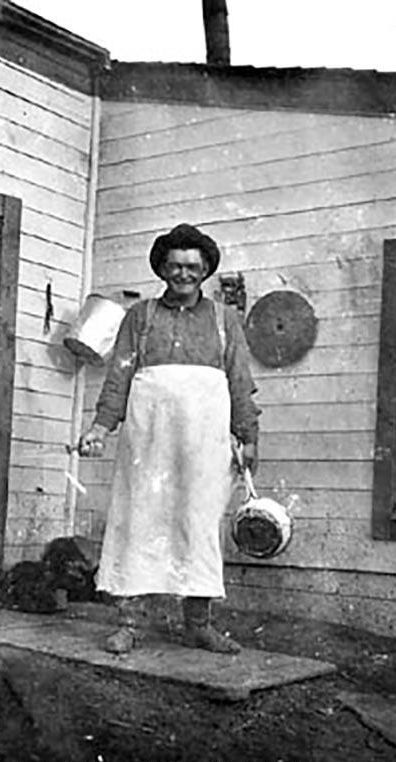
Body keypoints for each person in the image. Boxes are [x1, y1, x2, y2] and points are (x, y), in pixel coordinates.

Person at [79, 223, 260, 655]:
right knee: (138, 519)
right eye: (175, 266)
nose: (183, 274)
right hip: (149, 437)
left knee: (197, 523)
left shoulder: (224, 320)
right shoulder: (139, 317)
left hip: (205, 439)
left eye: (192, 267)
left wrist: (248, 436)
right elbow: (119, 376)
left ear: (205, 271)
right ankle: (129, 624)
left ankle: (198, 623)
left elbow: (240, 381)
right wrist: (100, 428)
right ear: (162, 269)